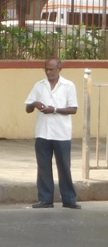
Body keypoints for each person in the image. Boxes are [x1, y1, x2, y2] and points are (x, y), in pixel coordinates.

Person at [24, 57, 80, 209]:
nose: (49, 72)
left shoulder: (68, 86)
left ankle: (69, 199)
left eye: (52, 69)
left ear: (59, 69)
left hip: (61, 133)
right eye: (46, 69)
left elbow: (73, 109)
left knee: (64, 167)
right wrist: (34, 104)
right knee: (43, 168)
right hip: (43, 132)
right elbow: (28, 108)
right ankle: (45, 199)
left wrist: (54, 109)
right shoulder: (39, 85)